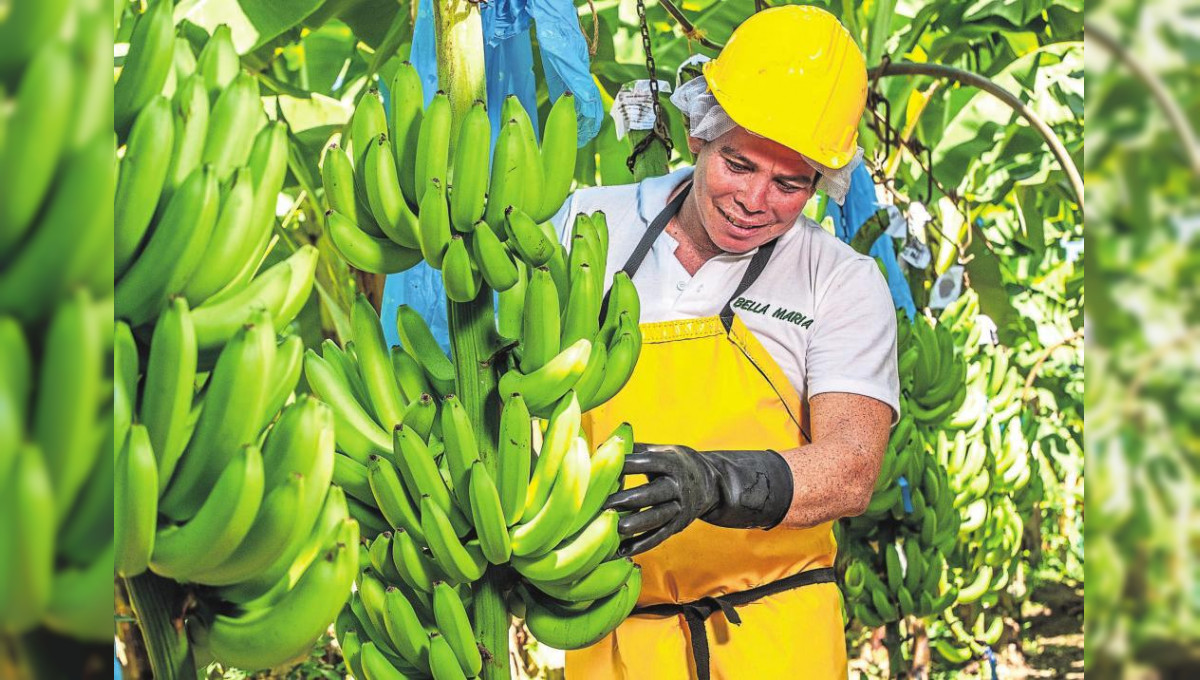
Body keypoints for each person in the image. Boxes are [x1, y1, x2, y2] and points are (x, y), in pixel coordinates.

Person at [548, 6, 899, 679]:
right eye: (738, 164)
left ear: (819, 184)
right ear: (699, 133)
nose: (755, 200)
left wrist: (715, 482)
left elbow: (853, 467)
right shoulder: (591, 226)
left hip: (776, 636)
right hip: (615, 635)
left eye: (789, 184)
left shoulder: (840, 281)